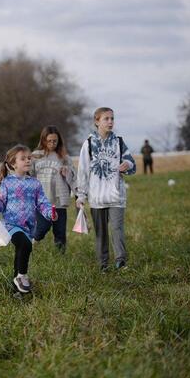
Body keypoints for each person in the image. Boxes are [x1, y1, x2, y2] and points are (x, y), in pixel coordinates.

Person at [0, 145, 56, 294]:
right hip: (11, 225)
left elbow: (42, 203)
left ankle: (16, 287)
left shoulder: (35, 183)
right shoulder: (7, 183)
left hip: (29, 227)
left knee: (21, 251)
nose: (27, 160)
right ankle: (22, 276)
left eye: (29, 158)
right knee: (25, 245)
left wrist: (50, 213)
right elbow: (1, 201)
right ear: (13, 163)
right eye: (23, 158)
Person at [76, 107, 136, 271]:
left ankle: (120, 261)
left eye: (112, 119)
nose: (110, 122)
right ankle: (103, 264)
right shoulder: (88, 144)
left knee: (117, 229)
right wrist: (80, 196)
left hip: (116, 195)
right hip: (96, 197)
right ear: (97, 121)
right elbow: (83, 171)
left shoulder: (119, 142)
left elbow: (131, 163)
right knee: (101, 232)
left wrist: (127, 165)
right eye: (106, 119)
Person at [30, 125, 76, 253]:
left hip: (59, 199)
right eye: (49, 141)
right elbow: (29, 175)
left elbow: (73, 176)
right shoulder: (35, 156)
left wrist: (67, 172)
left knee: (60, 232)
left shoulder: (64, 157)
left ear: (58, 140)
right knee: (42, 227)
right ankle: (33, 242)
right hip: (42, 200)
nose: (52, 143)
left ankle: (60, 256)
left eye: (55, 141)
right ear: (43, 140)